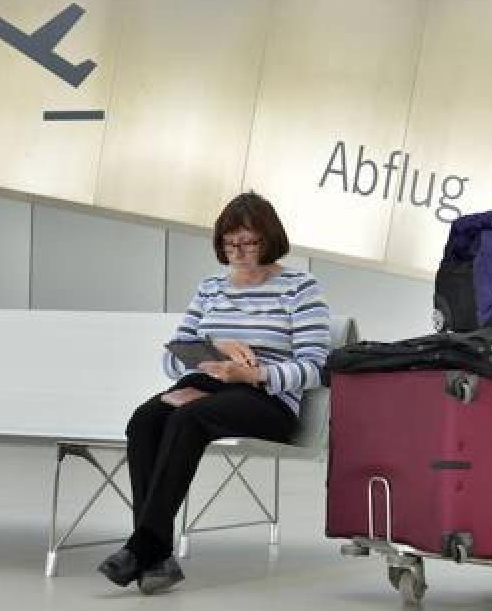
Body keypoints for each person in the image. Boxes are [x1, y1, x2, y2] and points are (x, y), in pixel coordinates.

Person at [97, 192, 330, 594]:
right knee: (146, 419)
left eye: (248, 241)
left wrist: (252, 375)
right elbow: (173, 359)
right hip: (206, 385)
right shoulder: (210, 288)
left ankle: (145, 546)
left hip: (266, 399)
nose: (238, 251)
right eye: (229, 243)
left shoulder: (300, 287)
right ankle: (156, 557)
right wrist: (217, 348)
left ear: (269, 238)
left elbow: (315, 368)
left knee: (189, 418)